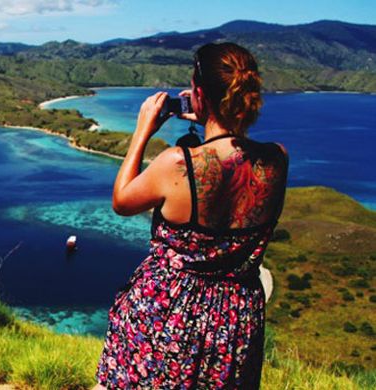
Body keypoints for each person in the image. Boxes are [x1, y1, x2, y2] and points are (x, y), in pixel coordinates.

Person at [95, 42, 288, 389]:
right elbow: (235, 153)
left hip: (169, 314)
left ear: (199, 93)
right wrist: (211, 117)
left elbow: (122, 201)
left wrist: (142, 131)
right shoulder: (277, 160)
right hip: (236, 320)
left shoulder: (178, 164)